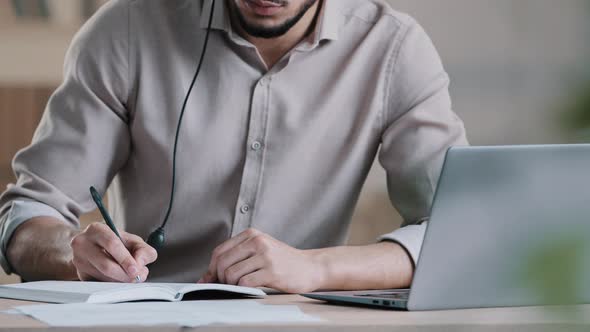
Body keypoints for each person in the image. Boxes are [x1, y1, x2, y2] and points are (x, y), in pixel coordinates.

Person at [0, 0, 467, 293]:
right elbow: (24, 217)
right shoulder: (125, 29)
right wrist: (74, 252)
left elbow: (461, 233)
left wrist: (315, 269)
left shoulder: (393, 48)